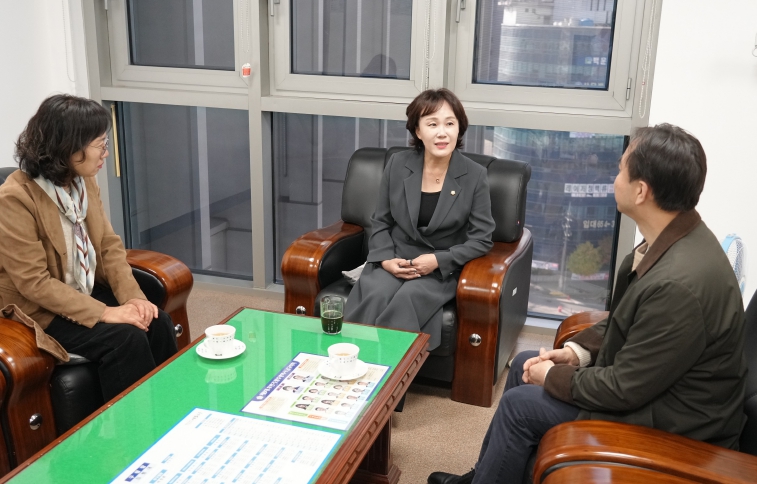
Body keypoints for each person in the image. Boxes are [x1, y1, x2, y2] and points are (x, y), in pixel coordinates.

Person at [428, 123, 747, 484]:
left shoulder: (678, 285)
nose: (615, 179)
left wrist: (554, 376)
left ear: (641, 191)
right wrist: (575, 354)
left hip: (672, 424)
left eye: (620, 170)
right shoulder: (670, 240)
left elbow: (624, 389)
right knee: (523, 365)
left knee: (521, 407)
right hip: (653, 391)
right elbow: (624, 321)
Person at [0, 94, 178, 402]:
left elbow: (108, 246)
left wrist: (134, 298)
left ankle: (171, 410)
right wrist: (106, 312)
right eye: (100, 144)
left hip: (81, 288)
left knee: (157, 321)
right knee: (125, 338)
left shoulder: (82, 182)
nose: (106, 153)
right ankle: (132, 427)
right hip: (39, 308)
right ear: (68, 147)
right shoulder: (15, 199)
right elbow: (34, 283)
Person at [345, 89, 495, 350]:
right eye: (432, 124)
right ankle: (351, 360)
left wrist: (437, 260)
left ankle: (394, 372)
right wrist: (386, 260)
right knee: (376, 293)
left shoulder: (474, 175)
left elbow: (481, 240)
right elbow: (381, 221)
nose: (442, 133)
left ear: (459, 129)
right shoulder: (398, 163)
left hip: (440, 268)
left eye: (450, 124)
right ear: (418, 131)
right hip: (396, 258)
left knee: (408, 299)